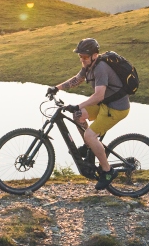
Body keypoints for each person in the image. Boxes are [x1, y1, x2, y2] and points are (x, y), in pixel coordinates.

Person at [48, 38, 130, 191]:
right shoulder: (88, 66)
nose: (82, 60)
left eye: (84, 57)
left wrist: (78, 105)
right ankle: (89, 147)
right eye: (80, 57)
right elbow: (77, 80)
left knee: (90, 135)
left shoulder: (101, 68)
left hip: (117, 108)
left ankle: (107, 171)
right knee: (78, 115)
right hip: (105, 104)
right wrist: (56, 88)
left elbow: (99, 96)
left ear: (94, 55)